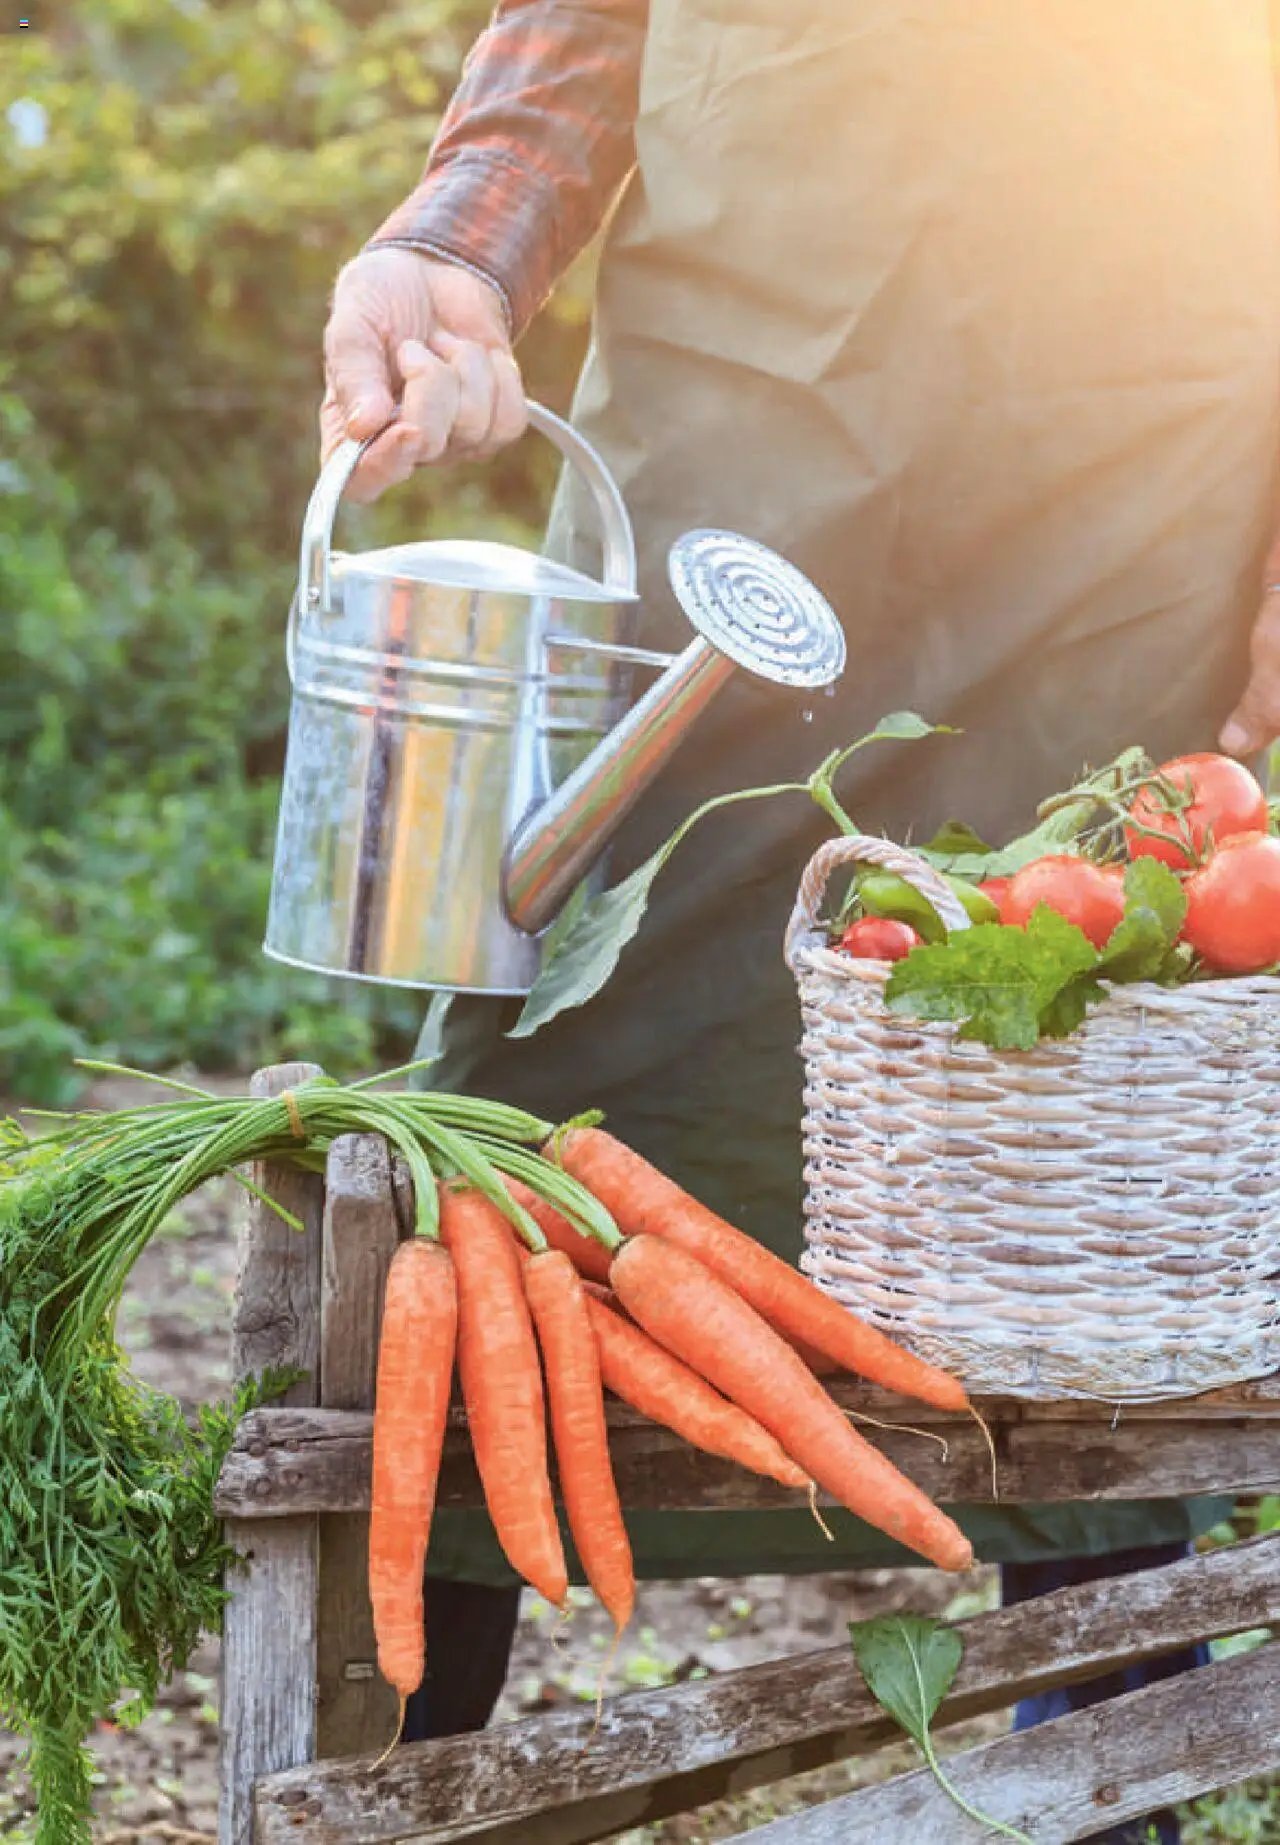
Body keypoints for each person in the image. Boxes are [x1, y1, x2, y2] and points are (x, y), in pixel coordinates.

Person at [321, 6, 1280, 1838]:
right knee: (561, 1070)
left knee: (1077, 1066)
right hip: (746, 409)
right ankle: (402, 1775)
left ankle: (1112, 1775)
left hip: (1139, 438)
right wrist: (458, 242)